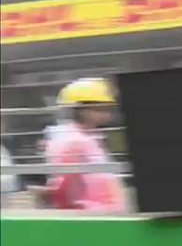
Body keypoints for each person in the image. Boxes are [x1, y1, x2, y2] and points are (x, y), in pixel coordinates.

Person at [39, 78, 126, 213]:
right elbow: (66, 187)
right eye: (100, 108)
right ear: (81, 110)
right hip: (90, 215)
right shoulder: (72, 141)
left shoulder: (91, 137)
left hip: (105, 212)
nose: (106, 113)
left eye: (107, 108)